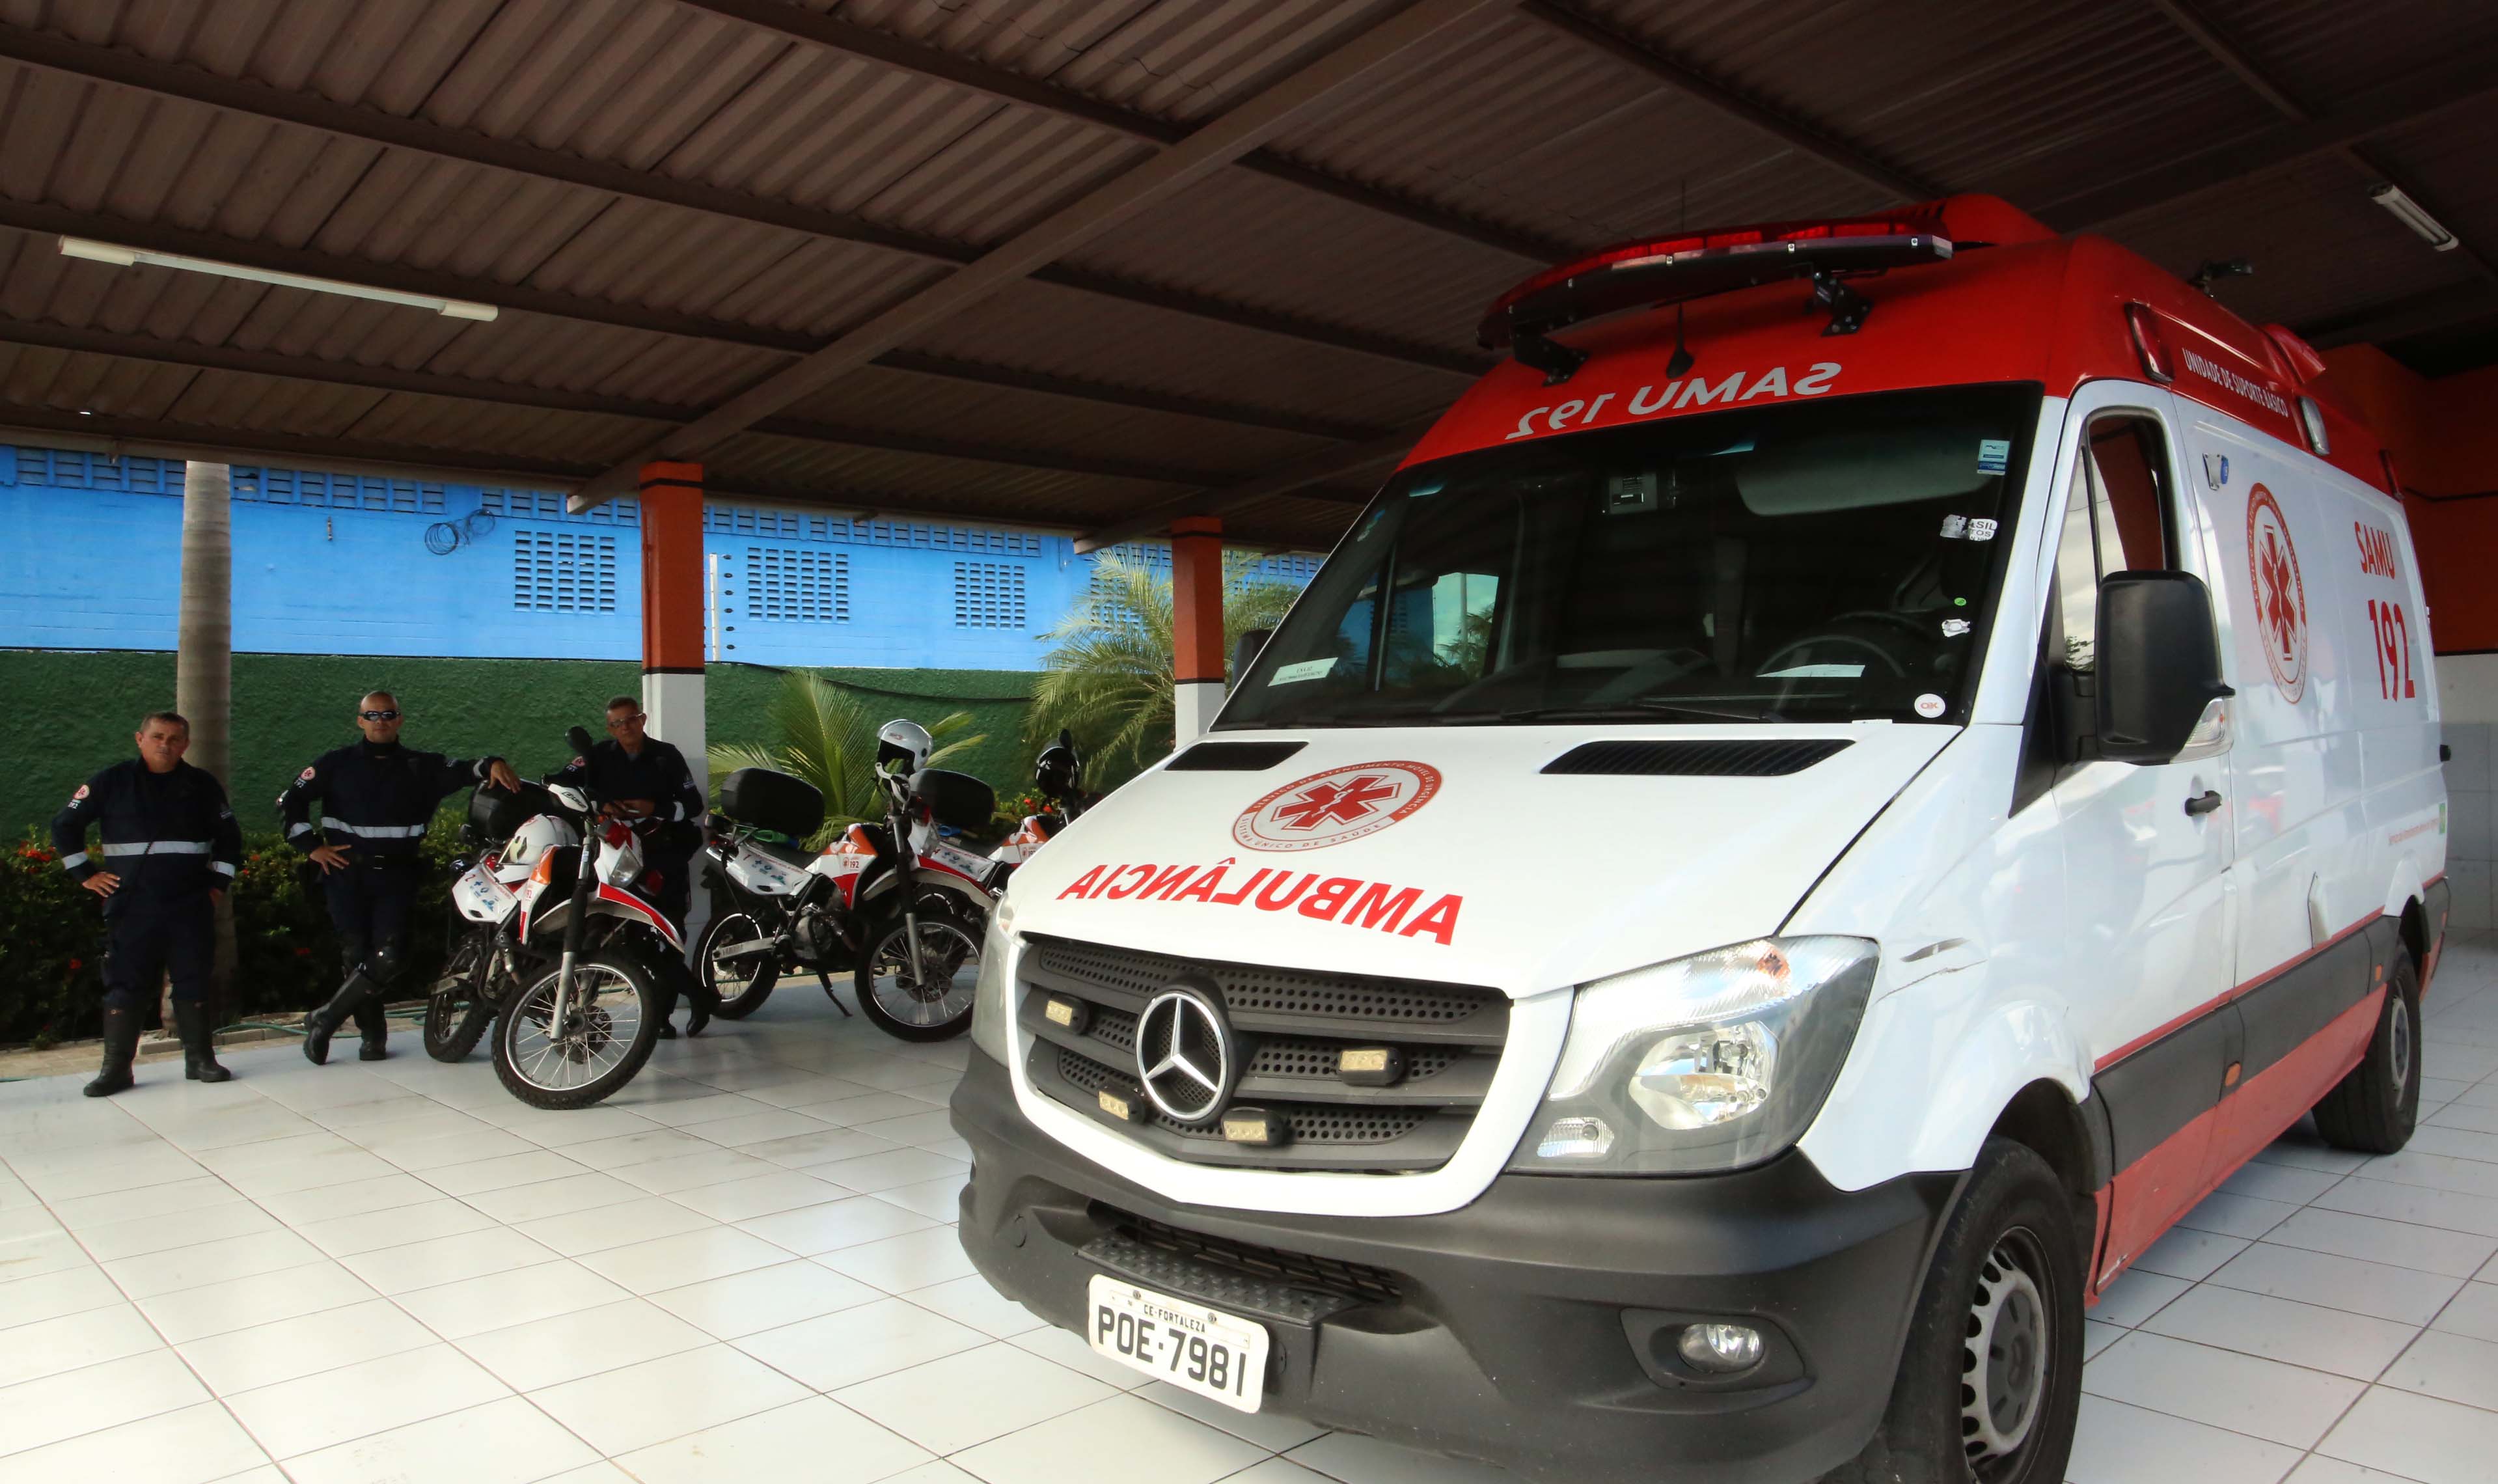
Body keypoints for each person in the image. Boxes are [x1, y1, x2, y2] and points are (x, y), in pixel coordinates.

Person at [281, 691, 517, 1064]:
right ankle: (372, 1037)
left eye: (388, 715)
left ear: (400, 719)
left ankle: (326, 1018)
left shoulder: (420, 766)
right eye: (372, 715)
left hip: (396, 875)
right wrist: (311, 847)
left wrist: (493, 763)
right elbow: (290, 802)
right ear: (360, 721)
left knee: (391, 956)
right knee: (356, 954)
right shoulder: (335, 764)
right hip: (346, 873)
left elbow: (465, 770)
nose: (381, 722)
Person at [49, 711, 243, 1096]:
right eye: (157, 737)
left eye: (174, 739)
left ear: (186, 745)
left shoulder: (202, 785)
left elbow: (230, 840)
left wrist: (218, 887)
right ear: (140, 739)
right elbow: (64, 825)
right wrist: (85, 875)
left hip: (189, 903)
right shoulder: (111, 782)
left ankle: (200, 1060)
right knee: (125, 983)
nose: (165, 745)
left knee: (193, 979)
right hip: (131, 906)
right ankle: (116, 1069)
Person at [547, 695, 715, 1036]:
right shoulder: (596, 756)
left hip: (663, 853)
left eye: (631, 719)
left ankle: (666, 1016)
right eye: (617, 723)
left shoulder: (666, 755)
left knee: (669, 934)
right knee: (622, 937)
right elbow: (558, 783)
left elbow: (693, 805)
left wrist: (656, 808)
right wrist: (601, 806)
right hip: (615, 856)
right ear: (610, 728)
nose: (626, 728)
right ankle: (695, 998)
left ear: (643, 719)